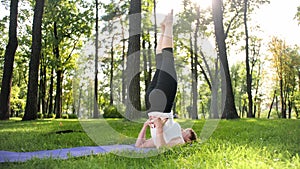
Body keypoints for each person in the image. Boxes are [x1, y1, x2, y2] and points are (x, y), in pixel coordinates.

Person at [135, 10, 197, 149]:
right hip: (152, 104)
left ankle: (168, 25)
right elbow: (140, 146)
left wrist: (159, 127)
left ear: (188, 139)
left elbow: (162, 149)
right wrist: (147, 126)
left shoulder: (180, 141)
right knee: (161, 64)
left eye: (186, 132)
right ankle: (164, 28)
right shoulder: (169, 133)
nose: (183, 130)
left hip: (160, 105)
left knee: (167, 60)